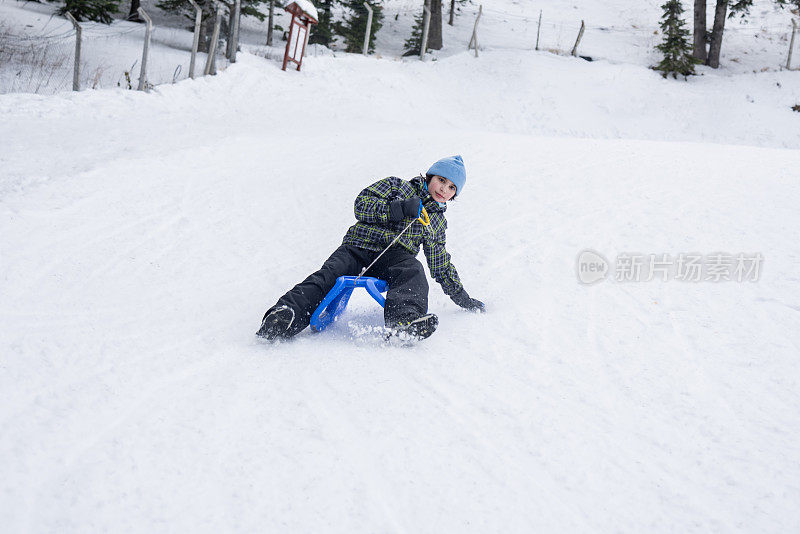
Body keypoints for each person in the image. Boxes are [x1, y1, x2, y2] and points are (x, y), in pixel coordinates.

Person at [256, 155, 485, 341]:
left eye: (452, 188)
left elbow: (439, 262)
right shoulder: (396, 186)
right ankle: (286, 314)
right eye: (441, 180)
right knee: (329, 275)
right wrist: (399, 208)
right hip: (357, 248)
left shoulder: (435, 221)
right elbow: (361, 205)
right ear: (430, 176)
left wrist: (461, 296)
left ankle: (404, 322)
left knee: (413, 271)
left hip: (394, 259)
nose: (444, 189)